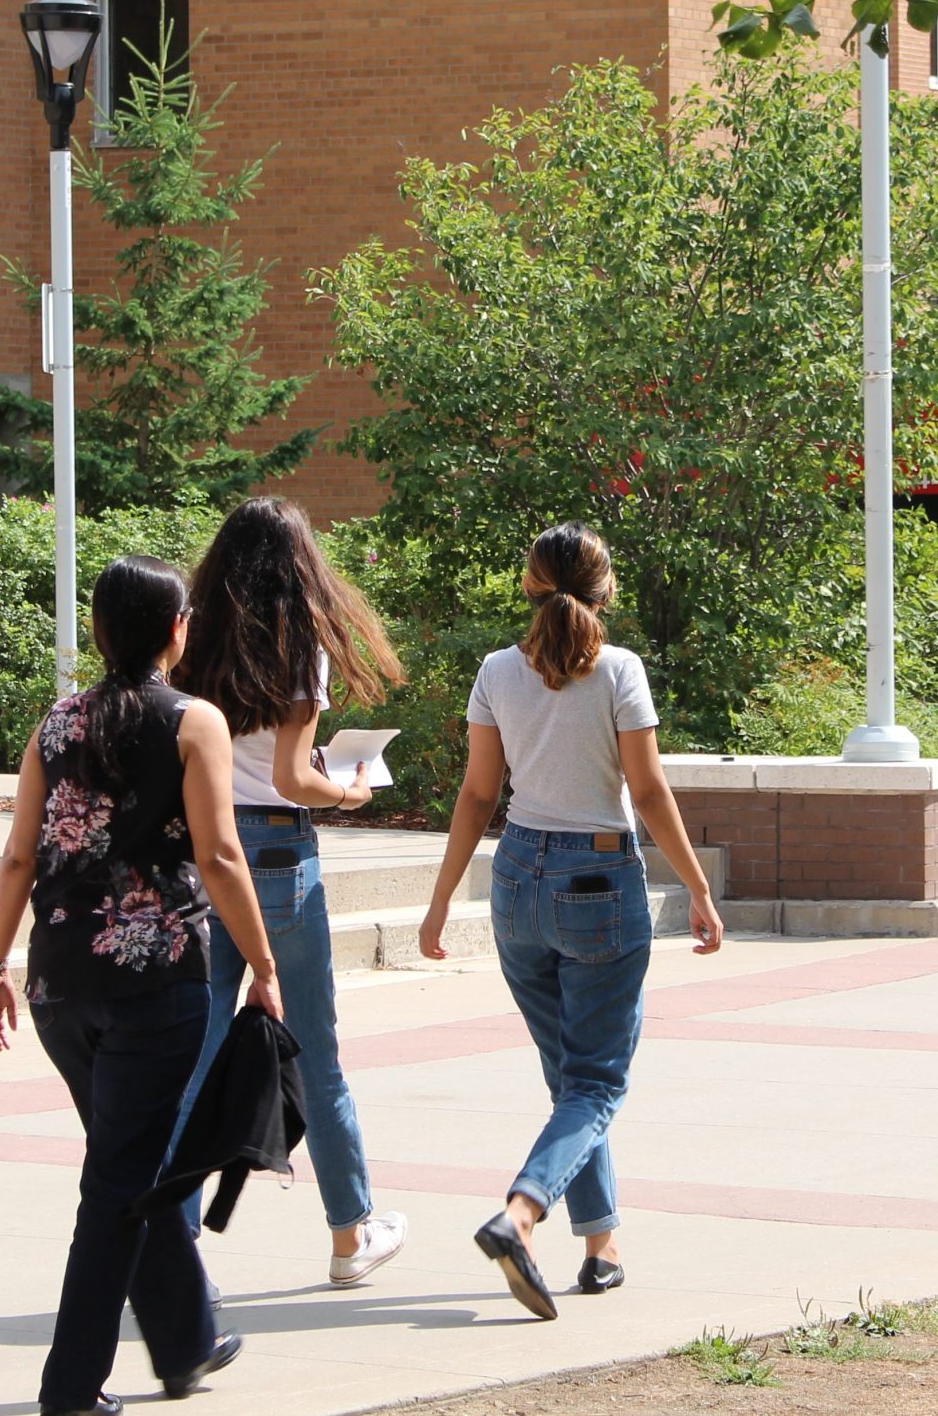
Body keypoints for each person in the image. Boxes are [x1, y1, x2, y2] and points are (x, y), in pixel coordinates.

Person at [0, 556, 284, 1416]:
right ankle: (71, 1388)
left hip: (59, 984)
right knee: (118, 1180)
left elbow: (19, 857)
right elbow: (220, 857)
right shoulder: (195, 721)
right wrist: (263, 964)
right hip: (156, 983)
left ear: (103, 630)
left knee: (126, 1156)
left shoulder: (56, 722)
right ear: (176, 629)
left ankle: (185, 1339)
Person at [418, 523, 726, 1320]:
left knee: (571, 1079)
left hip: (517, 880)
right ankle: (520, 1213)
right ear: (605, 588)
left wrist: (443, 895)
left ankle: (601, 1245)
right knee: (594, 1081)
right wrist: (696, 884)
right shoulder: (619, 671)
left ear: (528, 585)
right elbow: (649, 792)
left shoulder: (495, 671)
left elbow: (479, 795)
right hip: (596, 883)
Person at [169, 497, 411, 1285]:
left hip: (204, 848)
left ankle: (167, 1241)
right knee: (318, 1051)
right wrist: (348, 793)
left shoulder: (191, 632)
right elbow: (291, 778)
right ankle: (351, 1234)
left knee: (194, 1056)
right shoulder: (297, 643)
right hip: (277, 857)